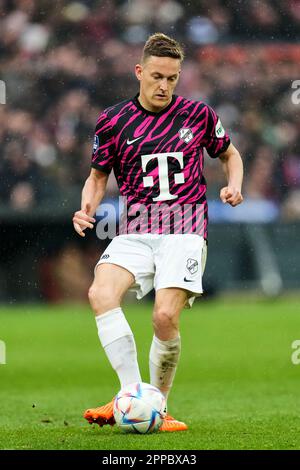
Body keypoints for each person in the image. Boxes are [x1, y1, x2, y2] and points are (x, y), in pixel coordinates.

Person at [72, 33, 243, 432]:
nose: (164, 85)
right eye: (156, 76)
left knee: (164, 316)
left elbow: (230, 154)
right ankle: (131, 397)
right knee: (100, 293)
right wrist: (87, 209)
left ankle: (158, 407)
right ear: (139, 72)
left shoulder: (198, 114)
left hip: (184, 228)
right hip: (134, 230)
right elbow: (97, 176)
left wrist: (234, 184)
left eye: (172, 78)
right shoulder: (113, 120)